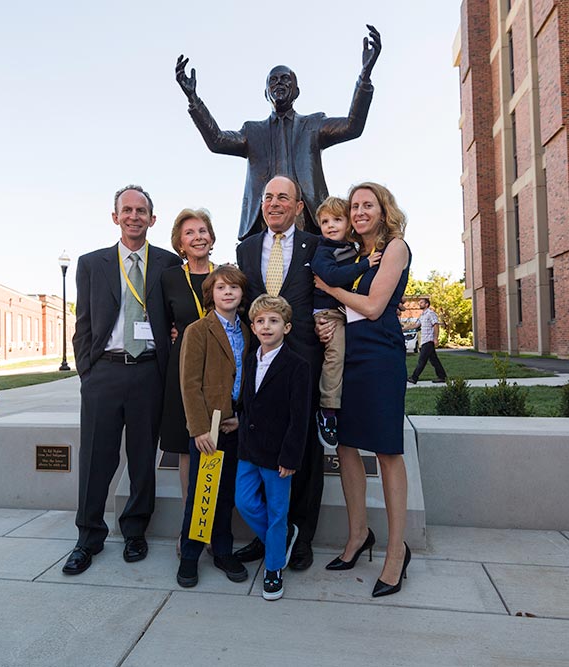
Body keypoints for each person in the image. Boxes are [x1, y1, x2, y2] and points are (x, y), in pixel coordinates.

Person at [62, 184, 180, 575]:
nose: (134, 216)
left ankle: (134, 531)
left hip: (149, 372)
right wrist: (87, 372)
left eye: (141, 211)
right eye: (126, 210)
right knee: (96, 458)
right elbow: (82, 325)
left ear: (152, 218)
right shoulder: (91, 263)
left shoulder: (168, 263)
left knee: (144, 459)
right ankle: (88, 537)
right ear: (115, 217)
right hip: (105, 372)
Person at [175, 25, 382, 239]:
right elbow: (217, 141)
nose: (279, 84)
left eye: (285, 79)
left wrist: (364, 77)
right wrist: (193, 99)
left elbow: (352, 126)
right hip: (263, 223)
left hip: (308, 221)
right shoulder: (252, 131)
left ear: (297, 91)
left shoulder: (313, 124)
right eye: (273, 81)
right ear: (266, 93)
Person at [313, 182, 412, 598]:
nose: (359, 211)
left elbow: (372, 306)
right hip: (348, 354)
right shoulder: (352, 253)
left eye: (367, 204)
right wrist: (327, 321)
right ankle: (357, 536)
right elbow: (346, 306)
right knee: (347, 446)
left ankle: (396, 551)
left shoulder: (395, 248)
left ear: (383, 209)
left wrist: (329, 290)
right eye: (354, 206)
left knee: (387, 451)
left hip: (380, 355)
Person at [235, 175, 322, 571]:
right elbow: (237, 303)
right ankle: (268, 533)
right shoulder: (247, 249)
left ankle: (300, 535)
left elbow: (327, 292)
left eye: (282, 197)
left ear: (298, 206)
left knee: (300, 447)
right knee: (262, 447)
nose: (273, 203)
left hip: (302, 358)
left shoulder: (315, 246)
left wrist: (334, 318)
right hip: (260, 361)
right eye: (268, 197)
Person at [176, 264, 250, 588]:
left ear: (242, 294)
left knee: (226, 494)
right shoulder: (198, 330)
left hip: (234, 422)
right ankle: (190, 554)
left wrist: (242, 418)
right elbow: (190, 384)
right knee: (201, 493)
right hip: (207, 427)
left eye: (234, 287)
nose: (228, 292)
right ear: (211, 294)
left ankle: (222, 550)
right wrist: (199, 428)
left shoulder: (247, 331)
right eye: (221, 288)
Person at [236, 294, 310, 600]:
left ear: (287, 327)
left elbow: (300, 416)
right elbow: (248, 402)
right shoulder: (251, 359)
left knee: (279, 511)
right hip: (249, 449)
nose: (267, 326)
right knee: (244, 502)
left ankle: (274, 566)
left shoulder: (297, 365)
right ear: (253, 328)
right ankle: (283, 537)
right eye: (261, 321)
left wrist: (290, 455)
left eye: (274, 321)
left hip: (279, 454)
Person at [309, 196, 378, 447]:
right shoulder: (324, 250)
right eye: (325, 221)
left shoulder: (353, 247)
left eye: (337, 220)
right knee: (335, 356)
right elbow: (332, 277)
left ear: (349, 223)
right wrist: (365, 265)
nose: (330, 225)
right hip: (328, 314)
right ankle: (327, 410)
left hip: (348, 310)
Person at [160, 208, 217, 507]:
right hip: (182, 369)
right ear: (180, 243)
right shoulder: (169, 279)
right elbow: (160, 324)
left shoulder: (226, 275)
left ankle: (212, 525)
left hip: (220, 369)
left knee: (217, 443)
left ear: (211, 237)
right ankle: (190, 525)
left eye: (203, 231)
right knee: (187, 445)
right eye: (190, 233)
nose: (198, 237)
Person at [408, 297, 448, 384]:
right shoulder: (422, 315)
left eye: (421, 302)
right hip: (424, 341)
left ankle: (414, 378)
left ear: (426, 304)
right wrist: (402, 329)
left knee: (422, 361)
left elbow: (436, 325)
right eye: (420, 303)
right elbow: (415, 325)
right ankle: (442, 377)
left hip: (429, 341)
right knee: (434, 361)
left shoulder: (431, 313)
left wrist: (435, 338)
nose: (420, 304)